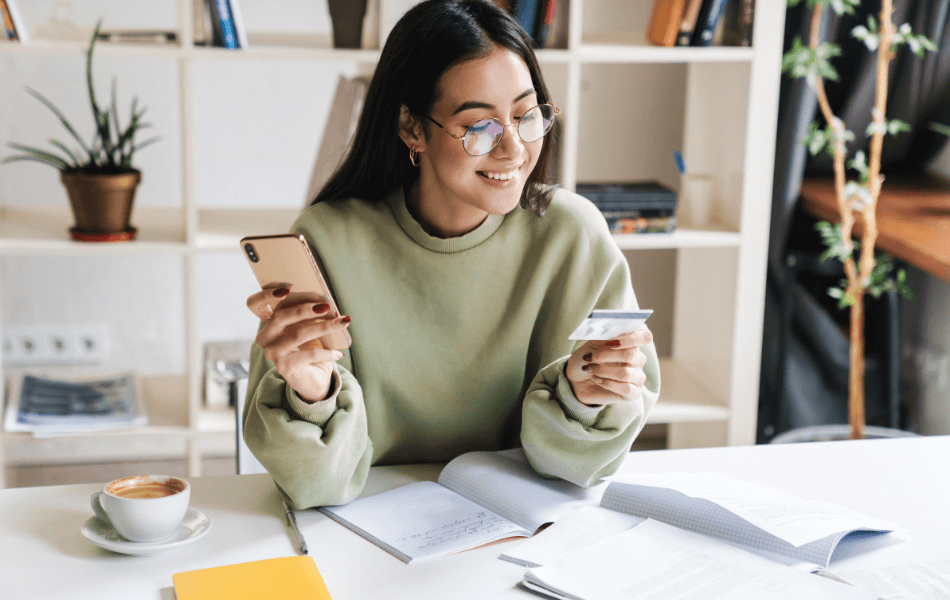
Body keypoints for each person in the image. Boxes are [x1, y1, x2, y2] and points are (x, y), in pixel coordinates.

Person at [243, 0, 660, 509]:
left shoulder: (573, 236)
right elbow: (317, 486)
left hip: (522, 524)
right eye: (479, 126)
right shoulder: (329, 239)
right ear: (412, 128)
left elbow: (576, 472)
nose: (513, 149)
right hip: (367, 526)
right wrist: (312, 393)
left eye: (527, 116)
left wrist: (586, 397)